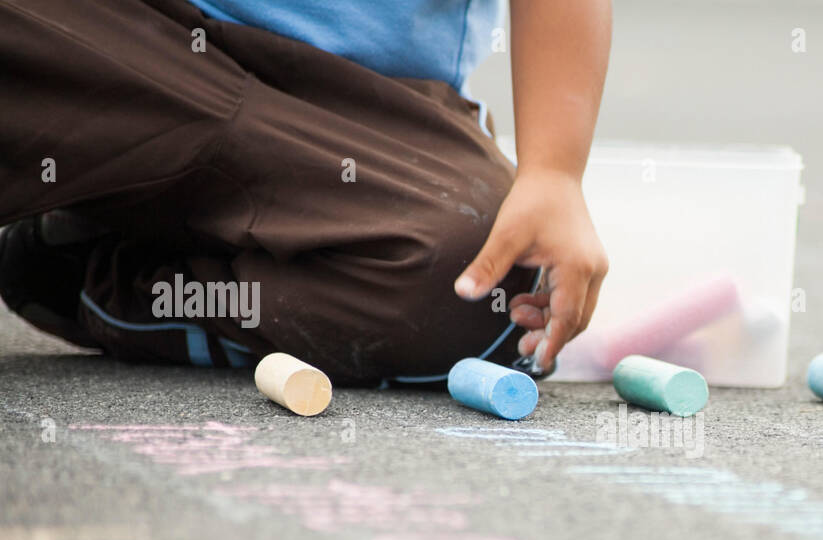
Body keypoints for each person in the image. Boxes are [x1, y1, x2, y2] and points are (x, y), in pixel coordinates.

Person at [0, 0, 611, 385]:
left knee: (484, 281)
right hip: (131, 40)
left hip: (359, 117)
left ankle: (93, 275)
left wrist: (552, 173)